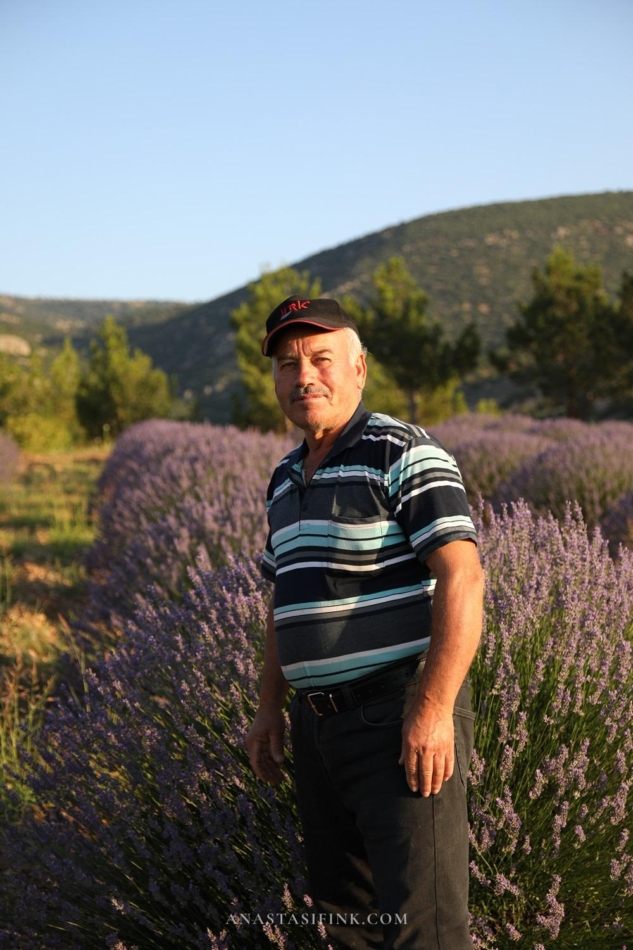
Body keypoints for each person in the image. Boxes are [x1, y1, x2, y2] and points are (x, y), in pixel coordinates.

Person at [246, 295, 485, 950]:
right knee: (344, 925)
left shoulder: (401, 450)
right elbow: (284, 601)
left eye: (321, 358)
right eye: (288, 364)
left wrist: (432, 710)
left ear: (359, 368)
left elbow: (462, 576)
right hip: (317, 729)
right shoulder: (284, 477)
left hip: (398, 719)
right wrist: (269, 708)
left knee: (425, 930)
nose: (303, 377)